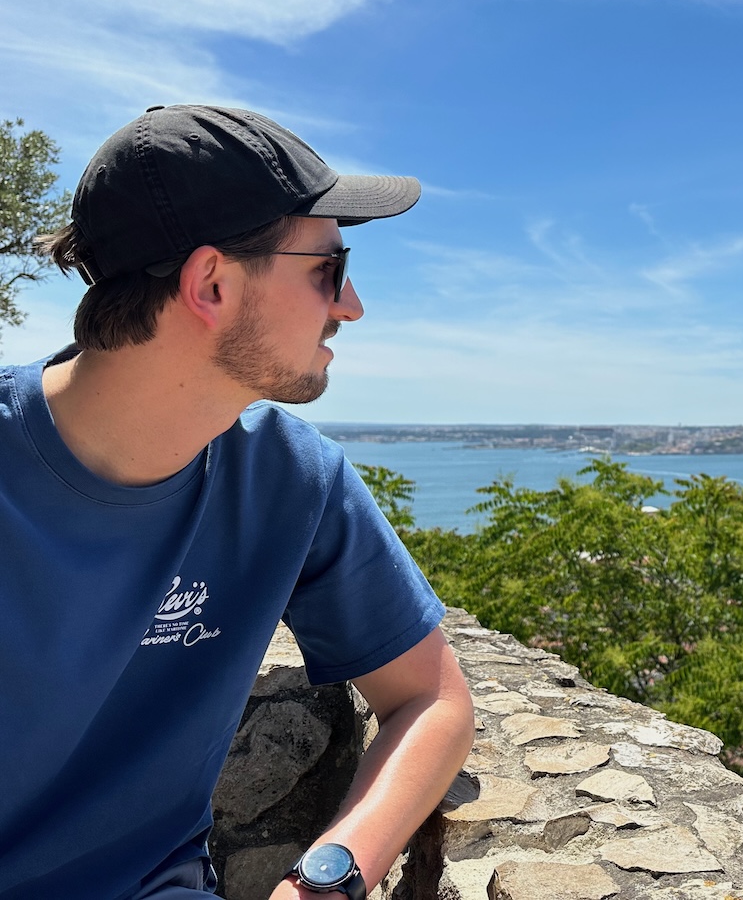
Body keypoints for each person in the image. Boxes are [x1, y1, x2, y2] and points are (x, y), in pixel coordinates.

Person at [0, 105, 476, 899]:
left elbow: (432, 697)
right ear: (212, 284)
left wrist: (330, 877)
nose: (350, 305)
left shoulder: (289, 482)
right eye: (329, 267)